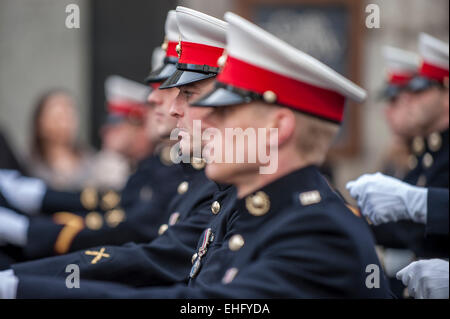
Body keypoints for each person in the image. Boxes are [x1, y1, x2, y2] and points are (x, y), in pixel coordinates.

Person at [2, 9, 391, 299]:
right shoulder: (251, 208)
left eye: (223, 111)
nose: (202, 121)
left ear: (278, 128)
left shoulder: (319, 232)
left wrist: (24, 287)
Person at [28, 89, 94, 191]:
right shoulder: (28, 165)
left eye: (70, 115)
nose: (65, 124)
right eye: (58, 116)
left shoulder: (92, 162)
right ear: (40, 122)